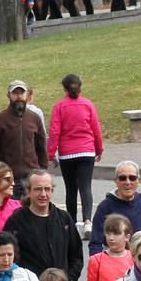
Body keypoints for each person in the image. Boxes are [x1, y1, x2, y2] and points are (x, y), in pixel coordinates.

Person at [48, 73, 104, 223]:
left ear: (64, 89)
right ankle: (87, 221)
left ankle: (71, 222)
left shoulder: (59, 106)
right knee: (85, 187)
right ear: (80, 88)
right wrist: (99, 149)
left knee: (71, 189)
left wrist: (50, 153)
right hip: (86, 151)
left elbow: (55, 132)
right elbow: (96, 129)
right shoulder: (88, 104)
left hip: (67, 154)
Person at [91, 162, 141, 254]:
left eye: (132, 178)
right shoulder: (104, 207)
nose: (128, 182)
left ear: (139, 181)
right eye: (122, 178)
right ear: (116, 181)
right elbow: (95, 244)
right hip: (114, 258)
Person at [0, 79, 48, 175]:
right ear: (8, 95)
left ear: (27, 95)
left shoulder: (35, 118)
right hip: (7, 176)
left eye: (22, 93)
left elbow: (42, 147)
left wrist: (43, 170)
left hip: (32, 175)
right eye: (15, 93)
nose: (19, 96)